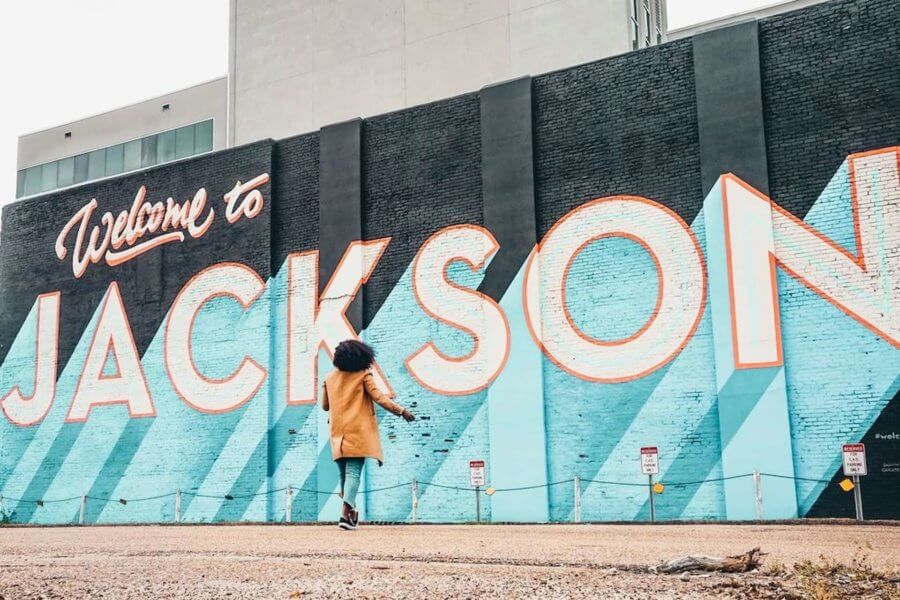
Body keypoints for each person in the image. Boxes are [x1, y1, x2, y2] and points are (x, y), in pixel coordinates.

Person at [321, 339, 415, 530]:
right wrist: (401, 411)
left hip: (337, 434)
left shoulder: (329, 378)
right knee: (353, 473)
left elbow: (325, 406)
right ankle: (345, 516)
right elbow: (379, 398)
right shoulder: (363, 374)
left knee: (344, 476)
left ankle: (350, 512)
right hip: (358, 432)